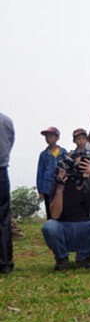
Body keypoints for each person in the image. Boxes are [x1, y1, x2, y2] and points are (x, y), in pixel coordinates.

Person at [41, 154, 90, 271]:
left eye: (84, 165)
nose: (81, 168)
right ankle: (62, 258)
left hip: (84, 228)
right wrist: (60, 188)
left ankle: (84, 257)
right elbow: (54, 215)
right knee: (49, 226)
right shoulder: (60, 183)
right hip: (64, 229)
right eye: (79, 165)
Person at [37, 127, 67, 219]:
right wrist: (40, 190)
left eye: (51, 136)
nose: (48, 138)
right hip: (47, 187)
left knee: (62, 209)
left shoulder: (63, 152)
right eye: (46, 136)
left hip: (60, 185)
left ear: (57, 137)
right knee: (50, 211)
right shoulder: (44, 154)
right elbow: (40, 172)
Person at [0, 112, 15, 275]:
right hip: (2, 171)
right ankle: (5, 263)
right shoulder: (6, 121)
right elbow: (10, 143)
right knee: (3, 218)